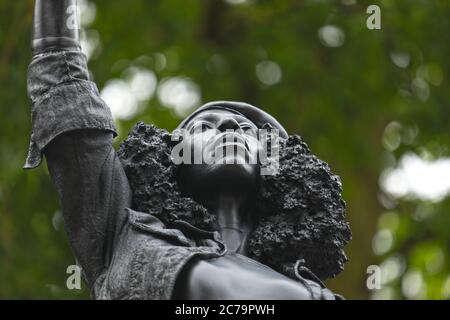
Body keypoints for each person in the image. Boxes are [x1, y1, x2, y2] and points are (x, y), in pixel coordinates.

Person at [25, 0, 347, 299]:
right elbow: (62, 77)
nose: (231, 129)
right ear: (171, 165)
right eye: (203, 127)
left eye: (247, 131)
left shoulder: (307, 284)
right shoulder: (120, 235)